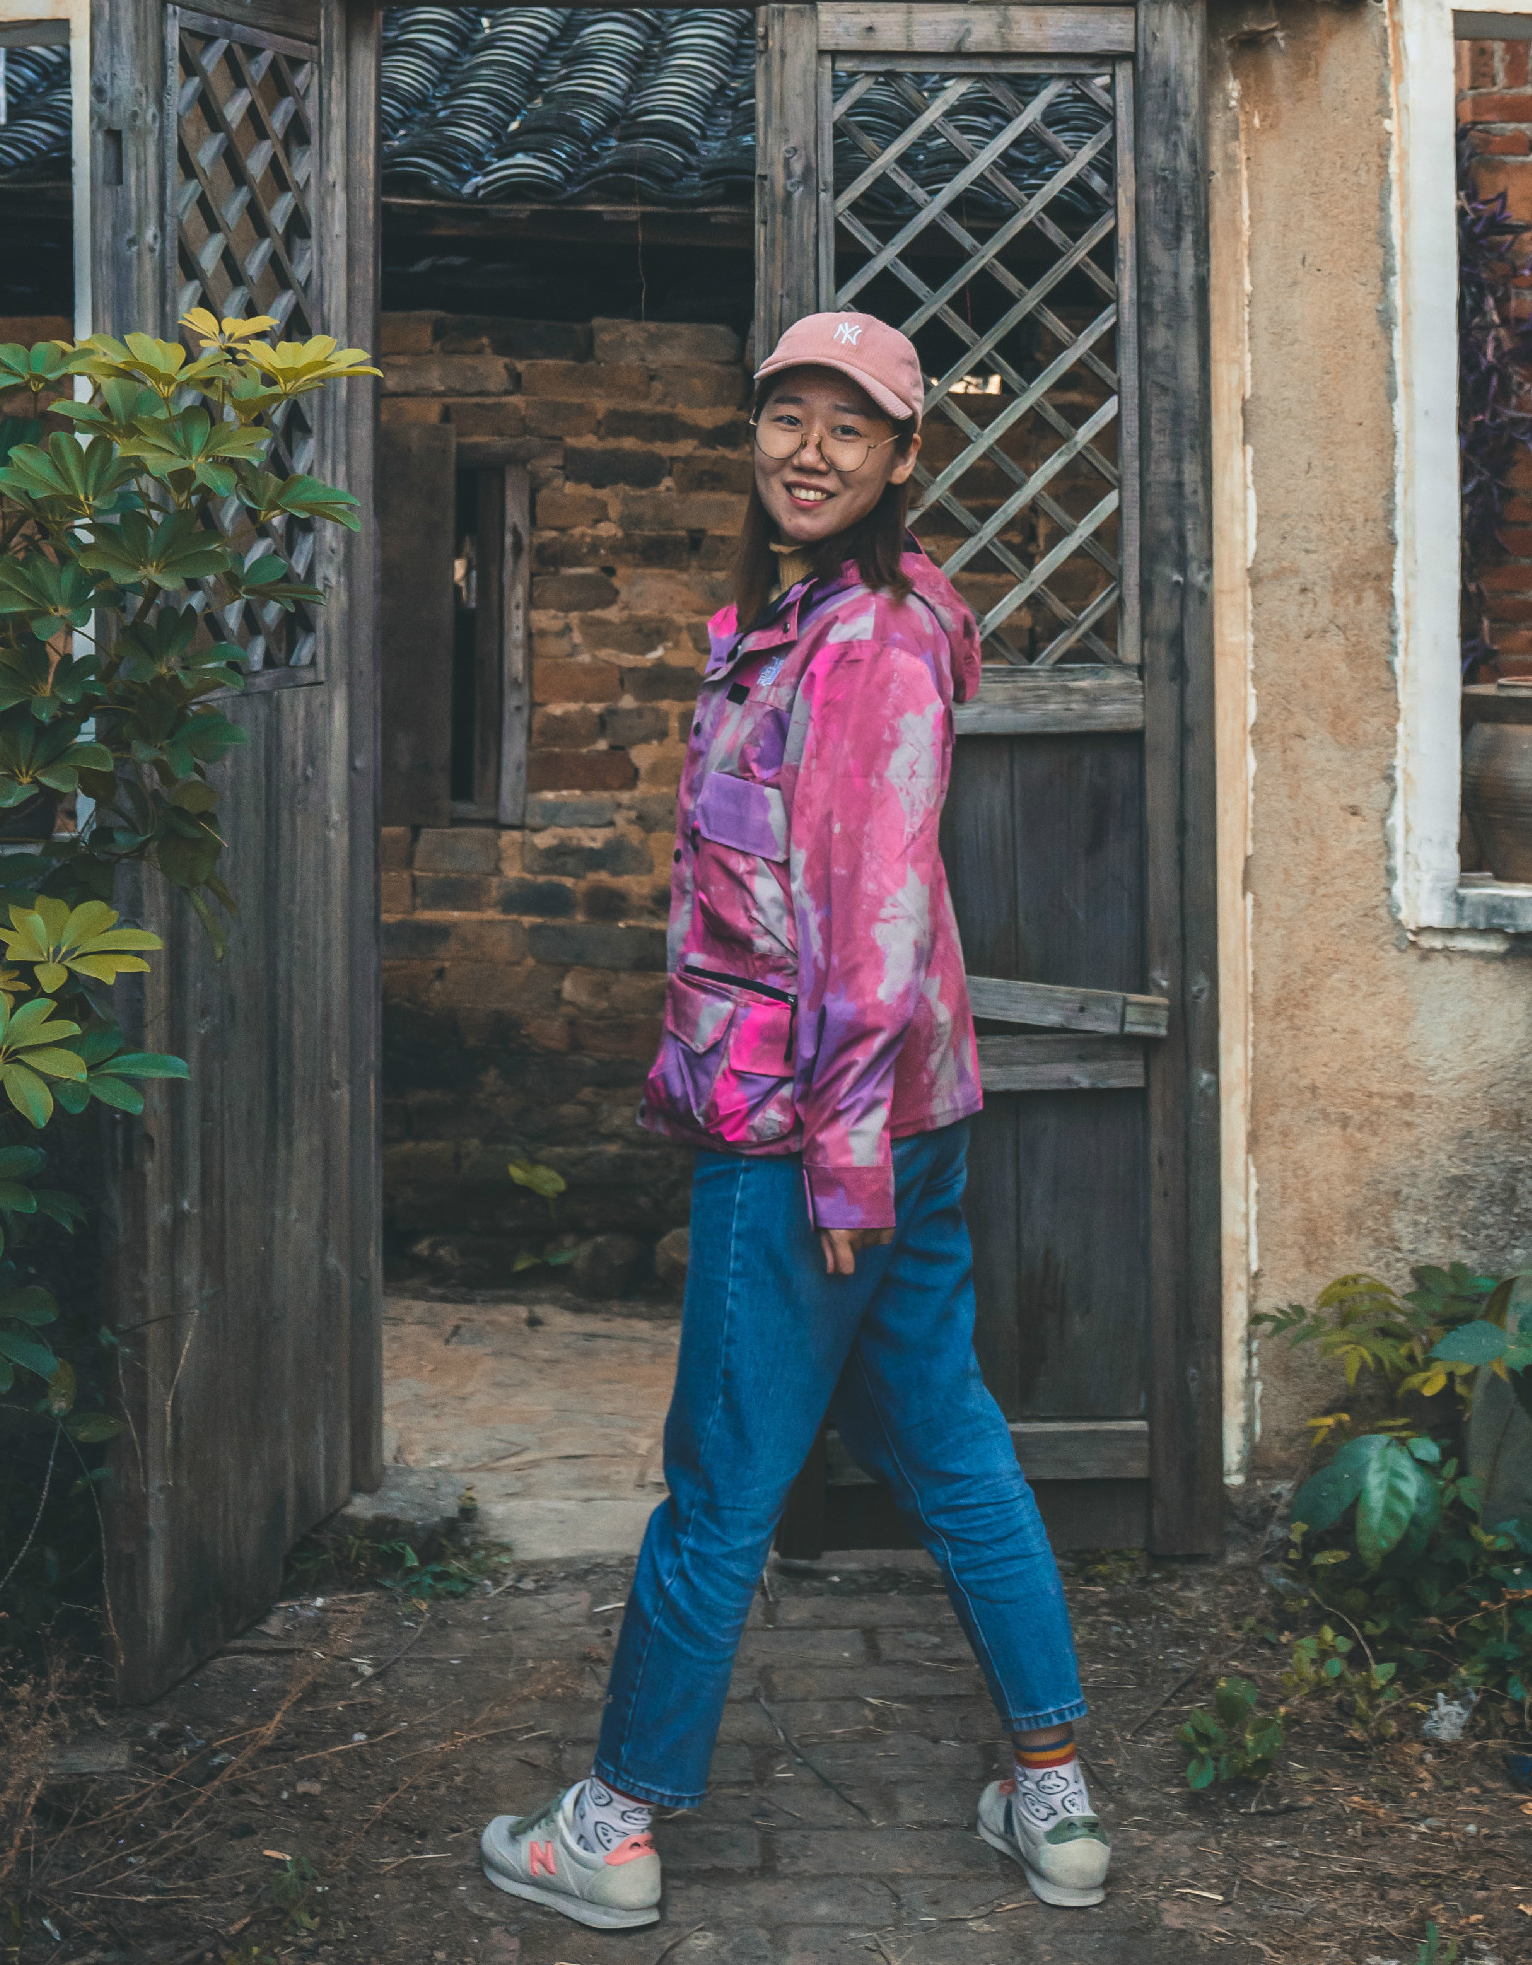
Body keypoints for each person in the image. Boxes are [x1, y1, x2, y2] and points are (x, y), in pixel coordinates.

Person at [481, 307, 1107, 1928]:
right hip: (894, 1112)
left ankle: (611, 1825)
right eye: (785, 417)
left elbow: (871, 920)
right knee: (947, 1438)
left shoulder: (869, 647)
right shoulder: (811, 620)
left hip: (812, 1130)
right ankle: (1051, 1801)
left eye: (849, 427)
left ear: (902, 457)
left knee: (722, 1477)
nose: (808, 452)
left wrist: (836, 1159)